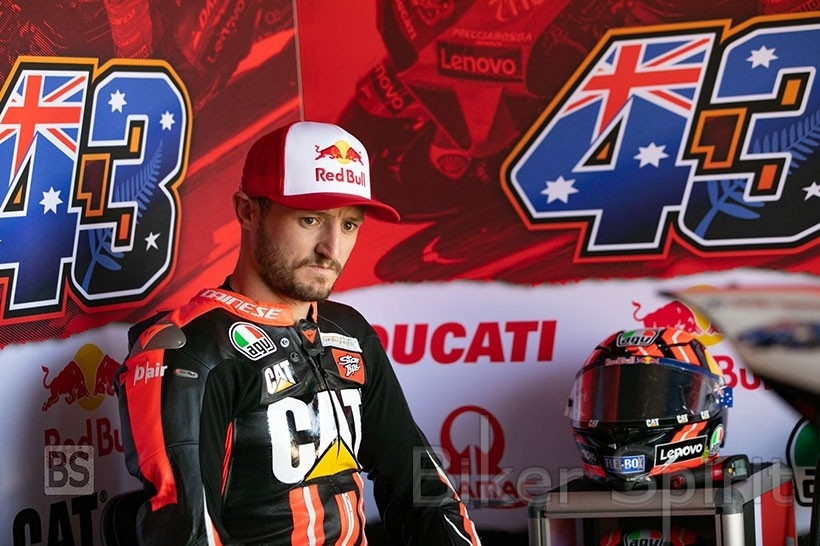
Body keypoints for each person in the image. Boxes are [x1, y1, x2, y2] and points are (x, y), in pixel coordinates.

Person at [116, 120, 482, 545]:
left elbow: (421, 488)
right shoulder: (189, 350)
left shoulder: (349, 332)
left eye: (349, 225)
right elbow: (187, 532)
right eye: (311, 219)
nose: (331, 249)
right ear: (248, 211)